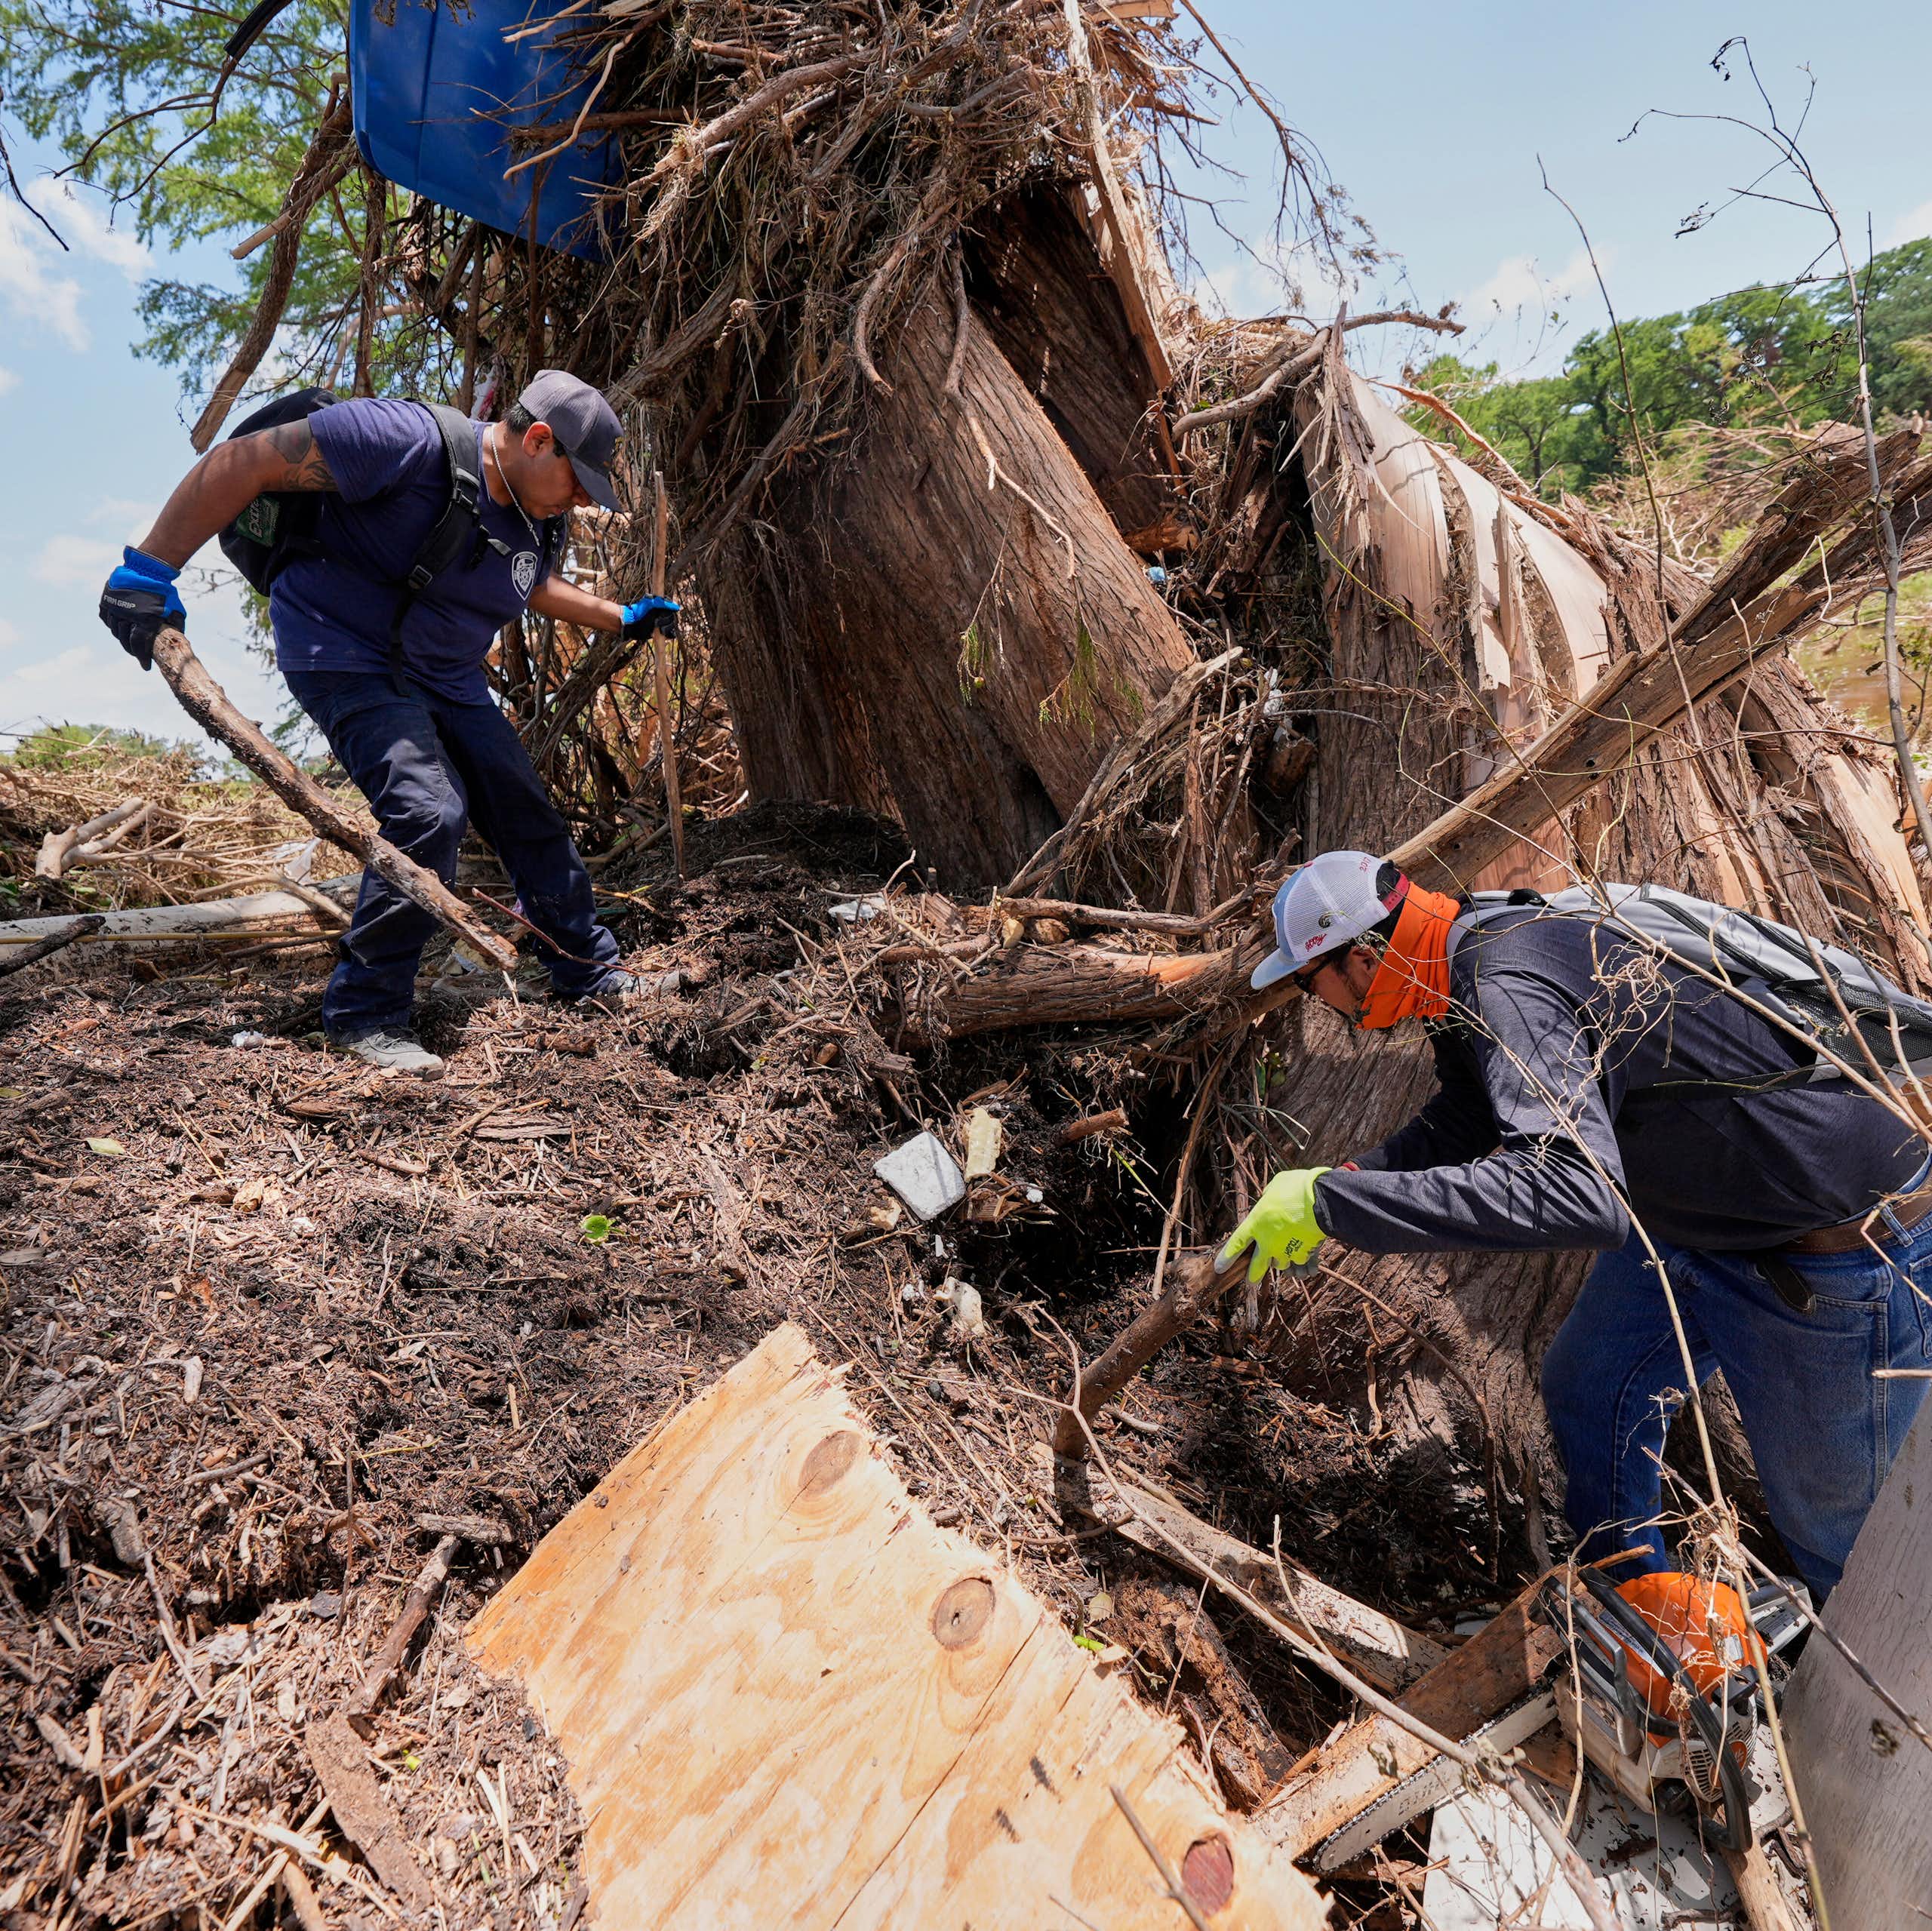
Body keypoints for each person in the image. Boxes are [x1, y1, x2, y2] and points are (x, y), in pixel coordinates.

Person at [1218, 848, 1932, 1598]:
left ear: (1361, 961)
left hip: (1830, 1248)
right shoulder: (1461, 958)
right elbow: (1470, 1108)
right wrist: (1352, 1180)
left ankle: (1885, 1713)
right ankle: (1633, 1603)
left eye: (1309, 983)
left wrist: (1335, 1206)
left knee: (1842, 1542)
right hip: (1701, 1221)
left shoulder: (1504, 980)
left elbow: (1572, 1192)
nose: (1318, 1002)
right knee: (1592, 1387)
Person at [97, 371, 678, 1076]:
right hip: (343, 652)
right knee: (428, 811)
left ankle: (588, 971)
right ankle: (365, 1014)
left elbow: (531, 582)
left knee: (524, 808)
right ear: (536, 439)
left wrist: (619, 616)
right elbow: (241, 463)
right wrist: (149, 569)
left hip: (447, 672)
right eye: (580, 477)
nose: (585, 498)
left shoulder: (537, 513)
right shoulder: (400, 439)